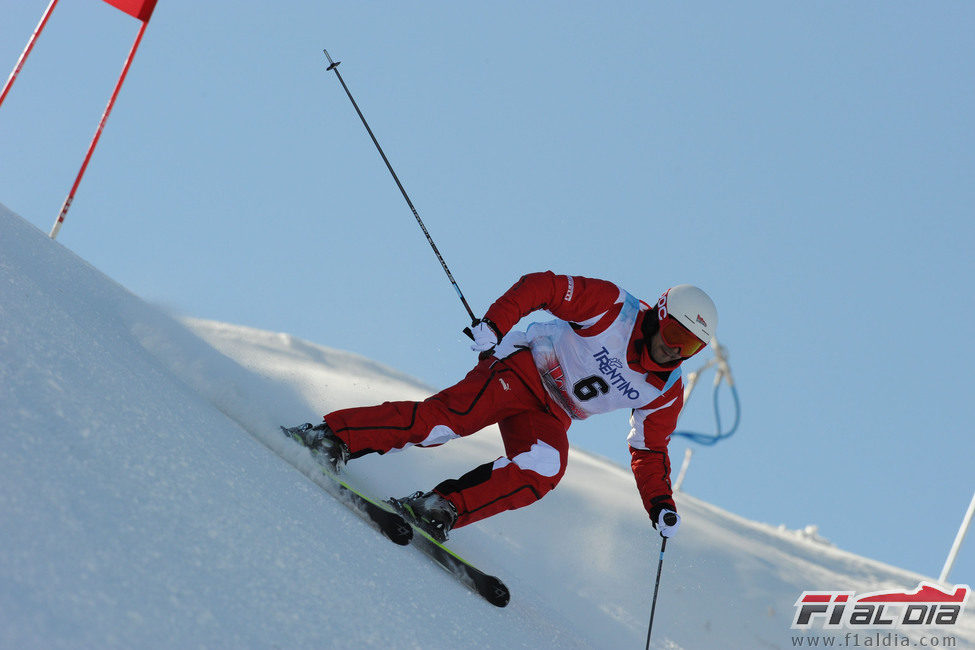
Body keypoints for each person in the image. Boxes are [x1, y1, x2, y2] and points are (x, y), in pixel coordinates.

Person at [285, 271, 717, 543]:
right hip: (525, 365)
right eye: (676, 335)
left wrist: (660, 503)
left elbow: (649, 449)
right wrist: (495, 323)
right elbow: (544, 286)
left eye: (691, 347)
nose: (675, 351)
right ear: (660, 314)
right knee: (447, 423)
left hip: (553, 412)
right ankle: (331, 436)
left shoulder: (666, 389)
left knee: (546, 466)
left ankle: (440, 507)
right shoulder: (612, 308)